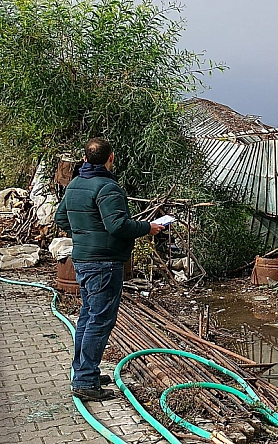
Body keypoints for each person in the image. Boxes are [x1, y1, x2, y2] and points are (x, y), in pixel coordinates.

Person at [55, 138, 164, 401]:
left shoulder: (75, 184)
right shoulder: (107, 187)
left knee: (88, 315)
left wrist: (83, 235)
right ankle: (84, 381)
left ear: (84, 159)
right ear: (111, 158)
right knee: (99, 319)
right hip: (103, 262)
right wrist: (147, 227)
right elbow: (118, 226)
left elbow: (60, 218)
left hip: (83, 258)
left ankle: (84, 370)